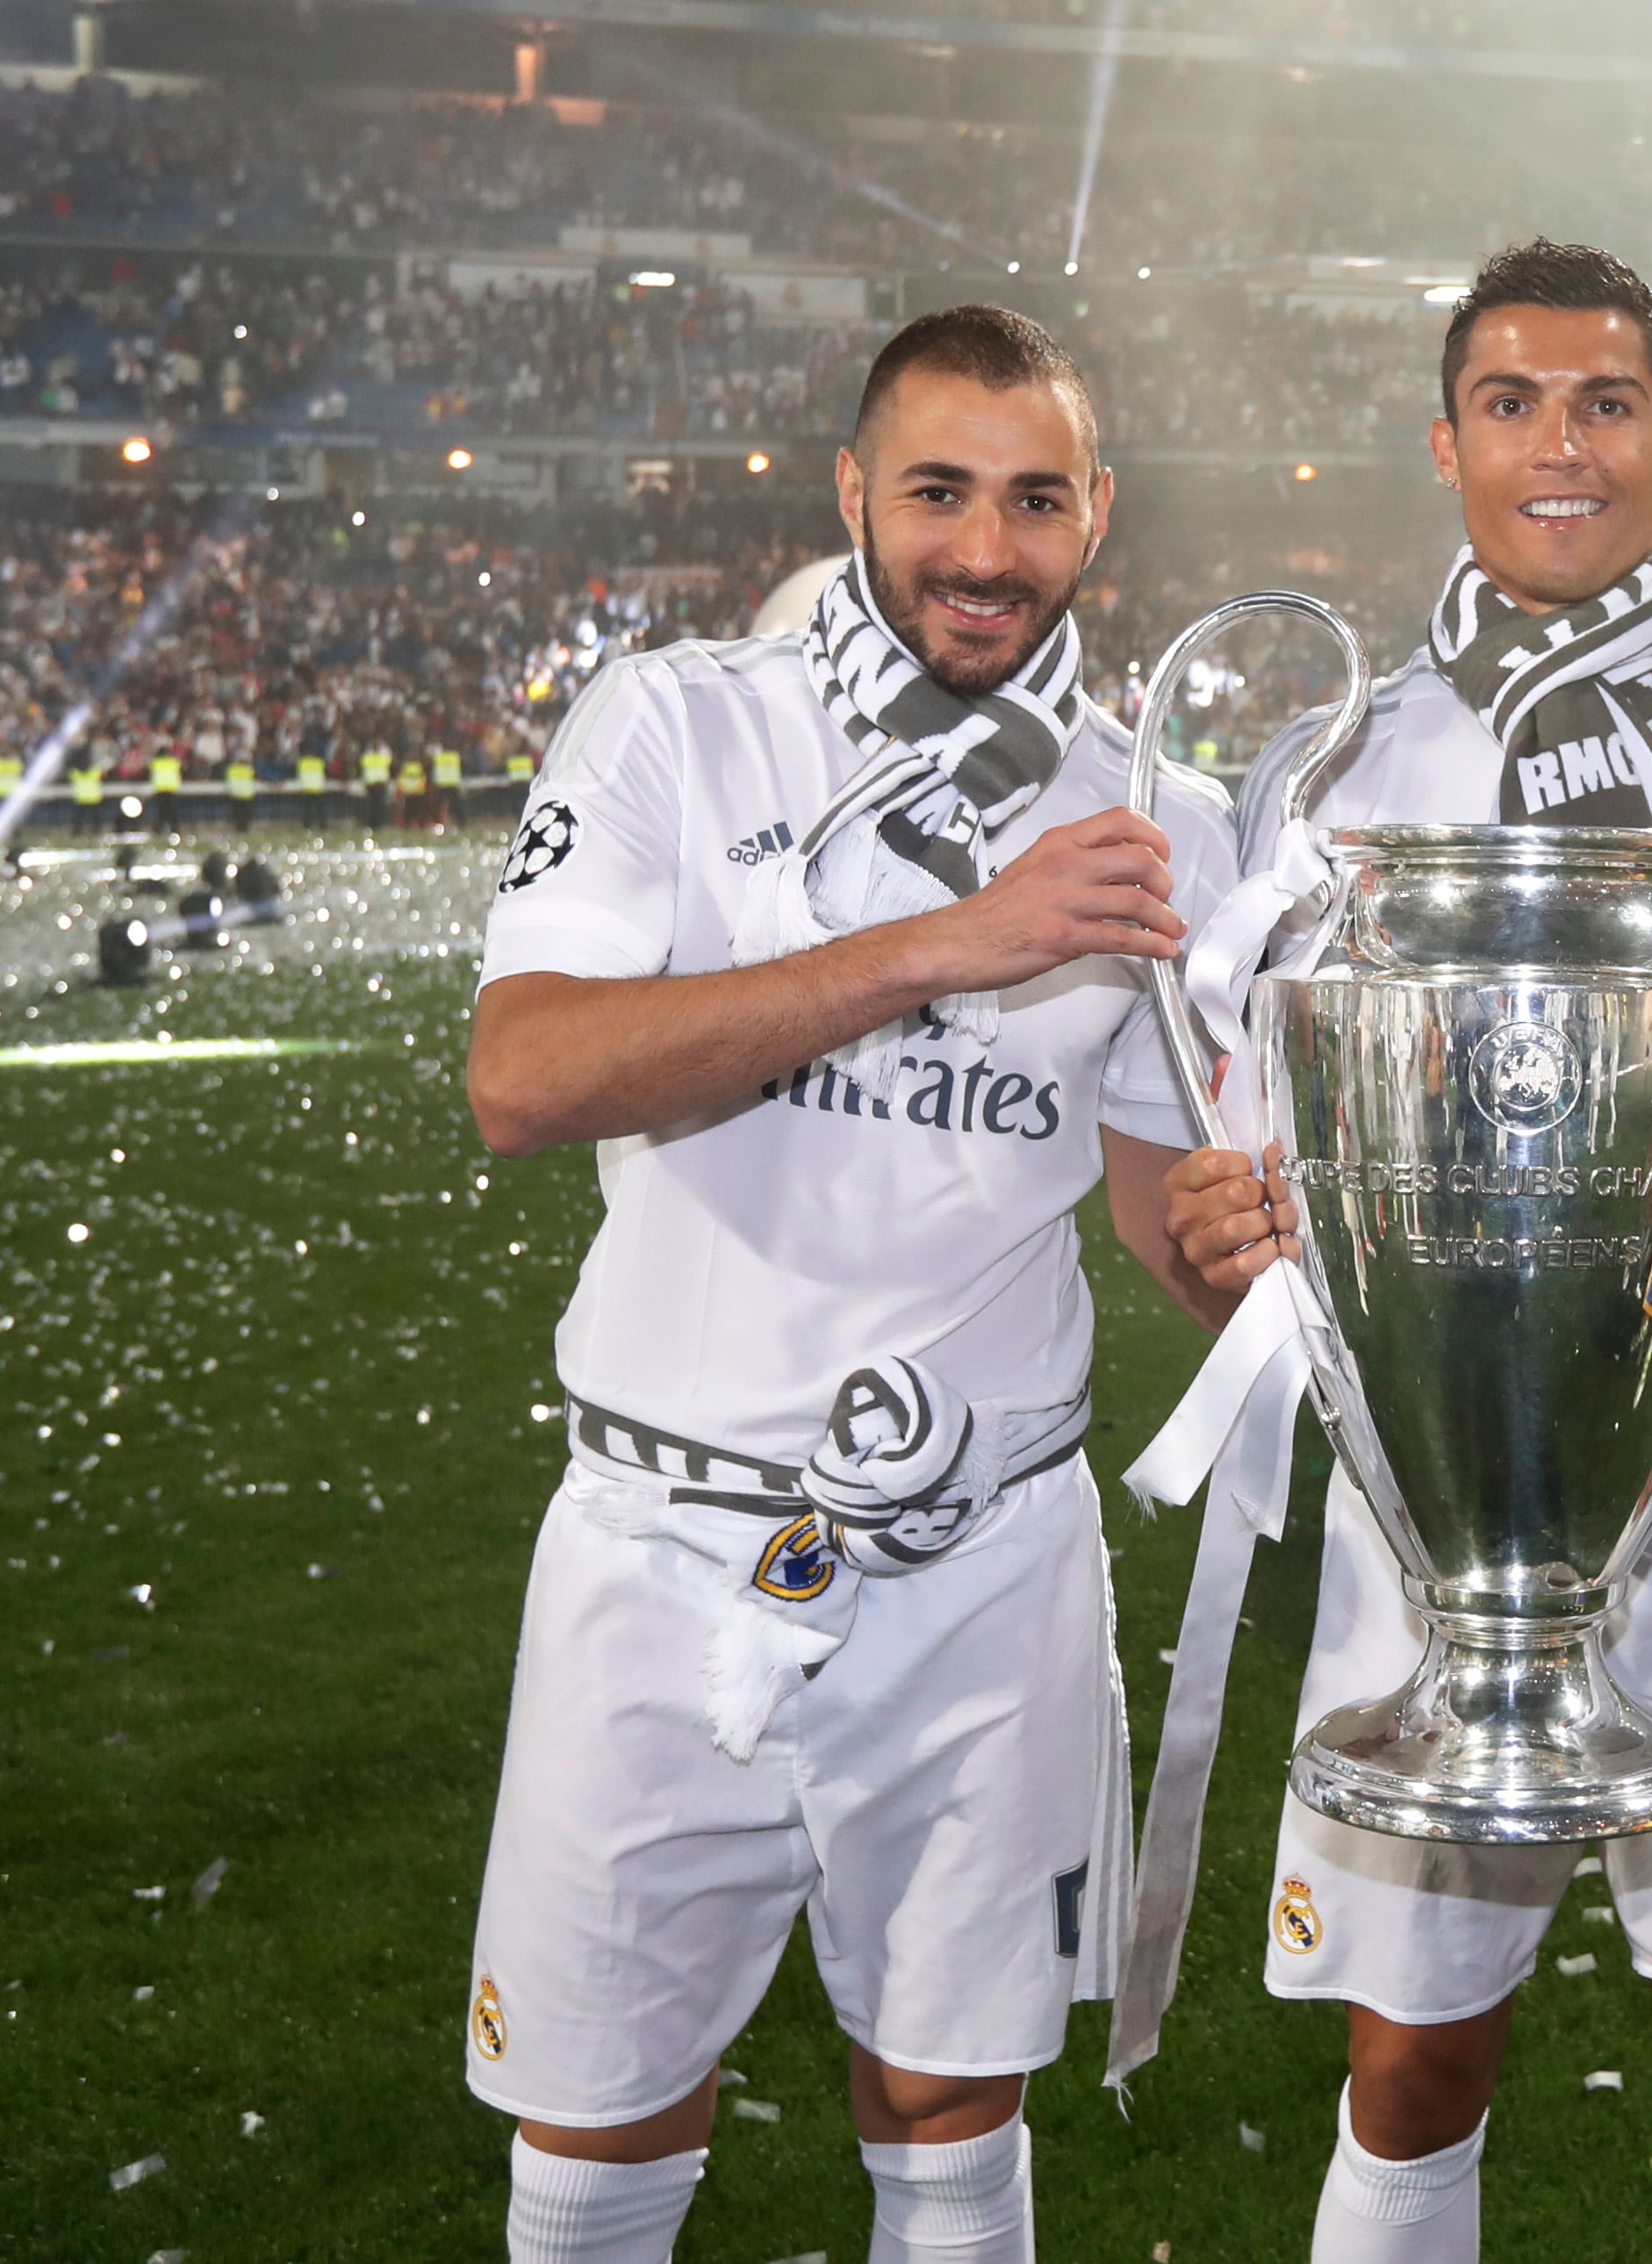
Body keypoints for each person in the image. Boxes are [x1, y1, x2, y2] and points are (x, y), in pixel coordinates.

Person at [1153, 241, 1652, 2264]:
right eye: (1510, 402)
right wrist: (1214, 1216)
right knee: (1408, 2058)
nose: (1556, 445)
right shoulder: (1333, 771)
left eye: (1600, 405)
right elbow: (1249, 1155)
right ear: (1445, 440)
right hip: (1431, 1500)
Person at [457, 305, 1239, 2264]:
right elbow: (525, 1073)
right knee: (601, 2104)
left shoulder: (1163, 811)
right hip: (665, 1528)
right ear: (850, 493)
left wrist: (1275, 1257)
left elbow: (1162, 1206)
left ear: (1096, 515)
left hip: (986, 1554)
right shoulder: (676, 715)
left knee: (950, 2097)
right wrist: (942, 942)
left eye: (1034, 498)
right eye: (939, 492)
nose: (984, 547)